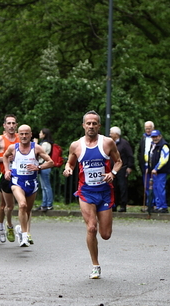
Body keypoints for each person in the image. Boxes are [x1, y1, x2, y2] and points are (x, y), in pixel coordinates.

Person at [63, 110, 122, 279]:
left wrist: (113, 174)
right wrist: (68, 169)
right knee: (91, 227)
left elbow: (118, 162)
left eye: (94, 123)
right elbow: (70, 162)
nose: (91, 126)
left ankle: (104, 224)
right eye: (88, 123)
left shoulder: (108, 143)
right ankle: (95, 265)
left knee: (105, 235)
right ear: (83, 125)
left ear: (99, 126)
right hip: (86, 192)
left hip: (104, 192)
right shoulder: (76, 145)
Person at [3, 124, 54, 247]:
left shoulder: (36, 148)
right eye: (21, 134)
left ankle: (21, 229)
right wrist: (6, 170)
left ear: (31, 135)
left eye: (27, 133)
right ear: (18, 135)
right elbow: (4, 156)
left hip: (32, 183)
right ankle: (25, 236)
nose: (24, 136)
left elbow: (51, 162)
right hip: (17, 182)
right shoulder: (13, 148)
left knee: (27, 210)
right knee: (22, 205)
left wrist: (38, 167)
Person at [0, 114, 20, 243]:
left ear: (16, 125)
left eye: (13, 123)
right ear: (4, 125)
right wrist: (4, 158)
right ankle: (1, 226)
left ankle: (22, 230)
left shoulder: (21, 138)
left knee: (21, 205)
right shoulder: (0, 140)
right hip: (4, 174)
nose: (11, 126)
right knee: (4, 205)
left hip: (20, 175)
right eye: (9, 123)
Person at [148, 130, 170, 213]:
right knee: (155, 188)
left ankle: (163, 206)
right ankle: (158, 206)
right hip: (154, 171)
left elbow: (164, 159)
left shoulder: (164, 146)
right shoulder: (153, 145)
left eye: (156, 136)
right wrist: (150, 167)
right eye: (153, 137)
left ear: (160, 136)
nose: (154, 138)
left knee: (160, 188)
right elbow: (150, 157)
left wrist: (156, 168)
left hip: (161, 171)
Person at [109, 126, 133, 212]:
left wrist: (129, 167)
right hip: (112, 168)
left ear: (116, 134)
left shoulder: (124, 143)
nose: (109, 134)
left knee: (122, 187)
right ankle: (114, 204)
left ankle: (123, 205)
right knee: (113, 187)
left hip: (122, 168)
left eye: (111, 133)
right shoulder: (110, 143)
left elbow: (130, 155)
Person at [34, 128, 54, 212]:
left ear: (44, 134)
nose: (39, 134)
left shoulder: (45, 144)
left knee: (46, 186)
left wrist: (35, 144)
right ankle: (44, 204)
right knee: (43, 186)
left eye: (40, 133)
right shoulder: (44, 143)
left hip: (45, 166)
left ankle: (49, 204)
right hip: (43, 166)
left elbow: (37, 152)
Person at [139, 121, 155, 211]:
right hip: (144, 164)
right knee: (146, 185)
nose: (148, 130)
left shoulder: (156, 138)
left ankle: (152, 204)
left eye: (149, 128)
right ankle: (148, 204)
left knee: (153, 185)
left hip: (153, 164)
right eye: (146, 128)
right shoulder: (143, 138)